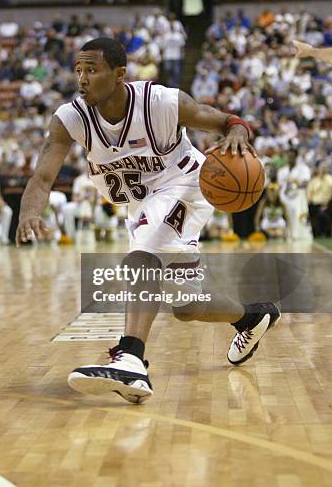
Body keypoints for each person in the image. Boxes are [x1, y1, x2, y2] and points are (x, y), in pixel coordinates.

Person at [16, 37, 280, 404]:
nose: (82, 78)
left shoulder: (161, 102)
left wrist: (237, 131)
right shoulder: (70, 118)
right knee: (187, 307)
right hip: (140, 205)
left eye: (92, 69)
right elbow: (42, 177)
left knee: (142, 256)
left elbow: (225, 120)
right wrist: (29, 211)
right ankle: (251, 317)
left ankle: (131, 357)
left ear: (119, 73)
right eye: (78, 70)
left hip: (187, 185)